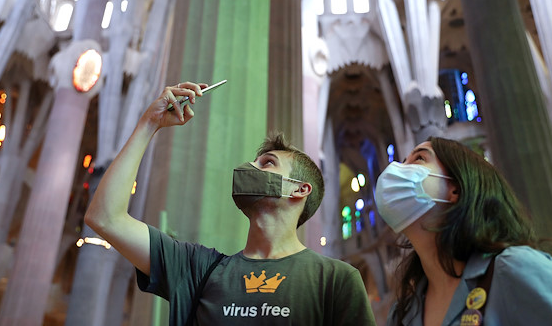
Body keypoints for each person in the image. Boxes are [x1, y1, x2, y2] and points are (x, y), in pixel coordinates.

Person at [85, 82, 377, 326]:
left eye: (267, 163)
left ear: (299, 190)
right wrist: (149, 124)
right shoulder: (199, 269)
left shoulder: (336, 280)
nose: (249, 166)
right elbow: (105, 217)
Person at [374, 137, 552, 326]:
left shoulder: (512, 270)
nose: (396, 169)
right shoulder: (403, 315)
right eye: (403, 161)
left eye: (418, 159)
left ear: (455, 189)